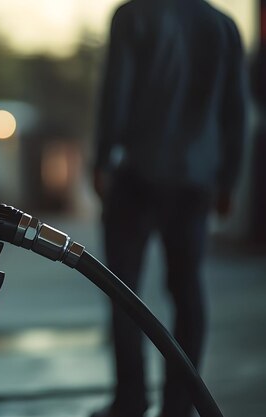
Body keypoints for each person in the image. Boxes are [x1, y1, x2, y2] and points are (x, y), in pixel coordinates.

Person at [91, 1, 248, 417]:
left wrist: (103, 159)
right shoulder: (224, 27)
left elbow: (117, 92)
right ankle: (180, 406)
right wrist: (228, 179)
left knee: (123, 293)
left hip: (138, 176)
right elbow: (235, 110)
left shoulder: (133, 16)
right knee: (188, 291)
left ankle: (130, 399)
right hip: (196, 180)